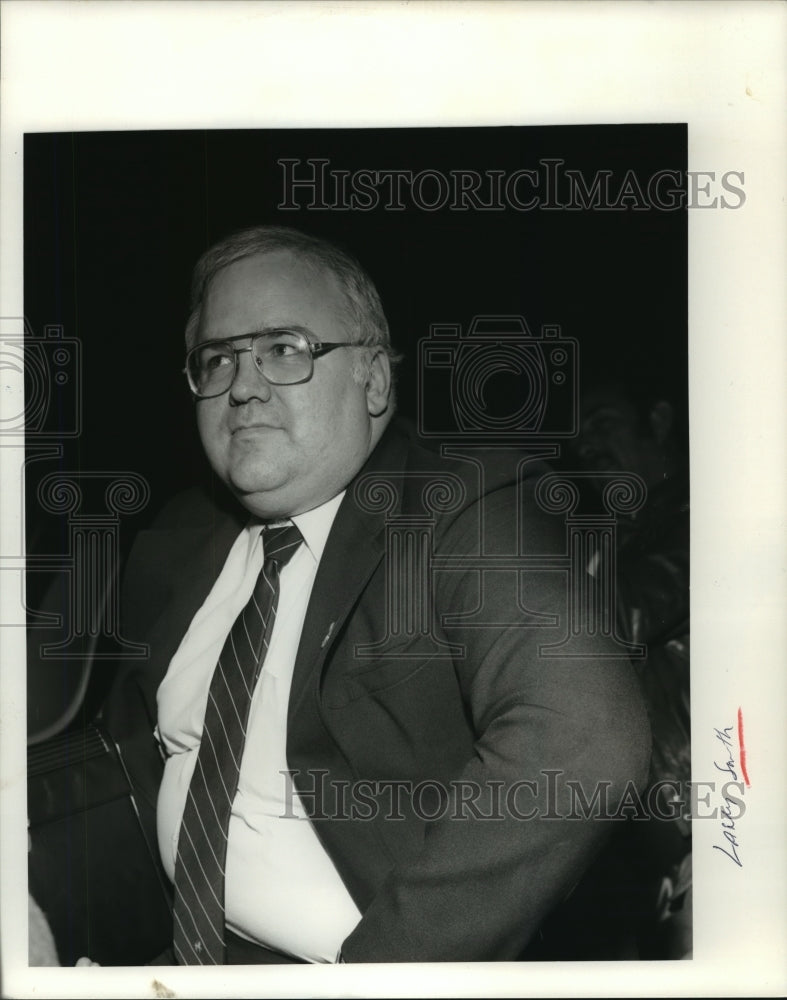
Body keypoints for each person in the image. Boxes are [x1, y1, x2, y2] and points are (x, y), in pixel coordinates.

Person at [103, 225, 650, 965]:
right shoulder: (175, 538)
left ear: (374, 380)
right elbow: (124, 764)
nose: (243, 383)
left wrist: (378, 980)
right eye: (217, 357)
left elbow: (584, 743)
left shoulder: (464, 506)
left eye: (284, 348)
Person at [574, 374, 691, 959]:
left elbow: (622, 621)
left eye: (603, 424)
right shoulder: (612, 538)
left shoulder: (701, 512)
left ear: (660, 422)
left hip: (696, 824)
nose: (585, 445)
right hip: (633, 836)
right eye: (579, 434)